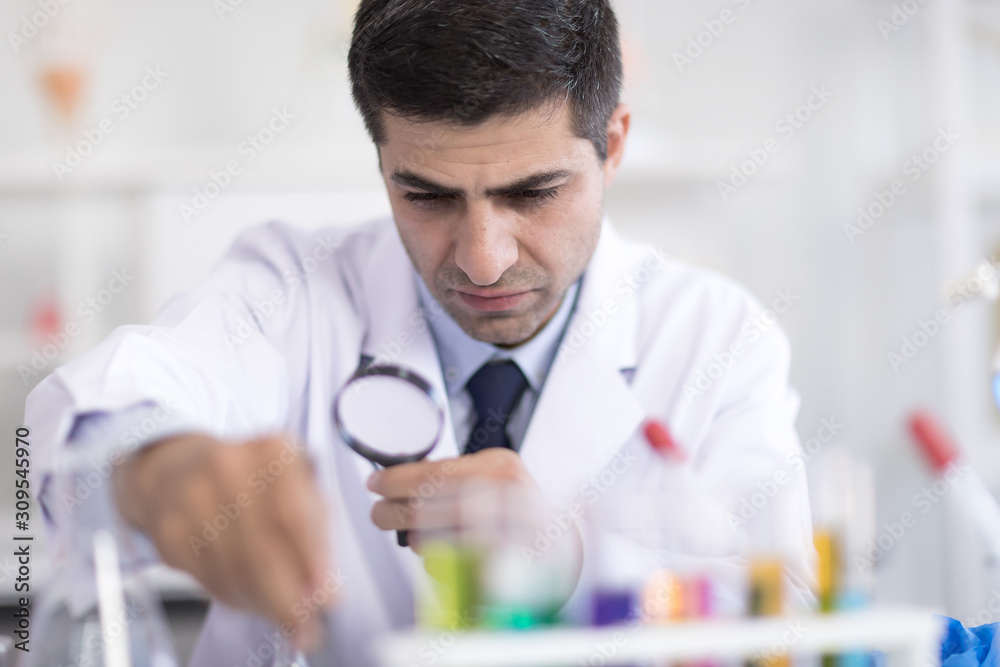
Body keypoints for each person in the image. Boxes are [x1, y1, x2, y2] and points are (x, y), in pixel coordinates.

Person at [25, 0, 816, 664]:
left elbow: (796, 625)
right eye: (427, 195)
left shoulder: (716, 338)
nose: (482, 257)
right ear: (382, 162)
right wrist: (161, 469)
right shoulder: (295, 289)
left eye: (533, 192)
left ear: (611, 146)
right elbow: (94, 415)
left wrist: (577, 567)